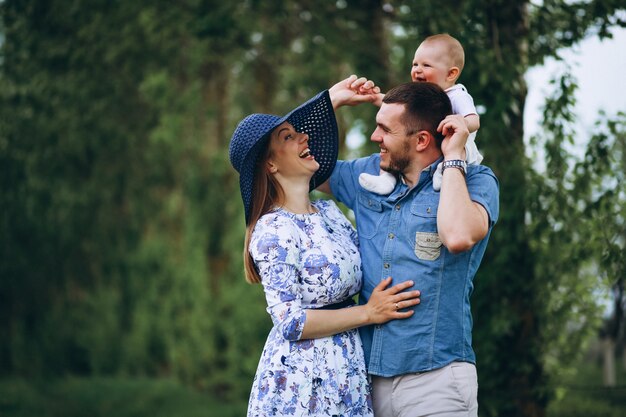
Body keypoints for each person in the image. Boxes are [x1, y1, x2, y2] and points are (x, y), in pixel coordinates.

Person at [228, 75, 421, 417]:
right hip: (302, 383)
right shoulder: (274, 229)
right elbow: (289, 322)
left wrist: (332, 99)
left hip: (346, 372)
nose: (304, 137)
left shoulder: (330, 213)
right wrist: (368, 313)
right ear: (270, 165)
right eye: (288, 136)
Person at [318, 81, 499, 416]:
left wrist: (455, 157)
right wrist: (328, 102)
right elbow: (288, 159)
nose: (375, 137)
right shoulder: (368, 174)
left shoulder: (475, 181)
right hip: (363, 384)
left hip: (437, 381)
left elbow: (458, 236)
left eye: (385, 129)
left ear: (421, 140)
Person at [359, 33, 483, 195]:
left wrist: (461, 123)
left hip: (458, 146)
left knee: (456, 151)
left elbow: (474, 120)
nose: (417, 70)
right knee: (398, 150)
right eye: (415, 64)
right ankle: (386, 181)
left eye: (426, 65)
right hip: (431, 147)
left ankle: (444, 172)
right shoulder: (420, 97)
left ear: (451, 74)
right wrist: (375, 97)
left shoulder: (457, 95)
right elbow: (398, 108)